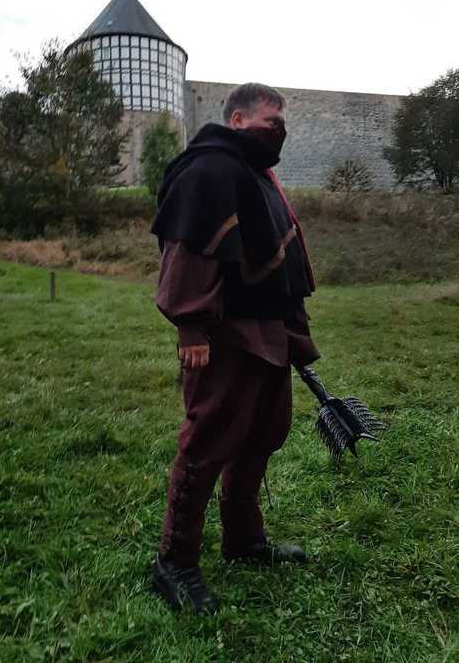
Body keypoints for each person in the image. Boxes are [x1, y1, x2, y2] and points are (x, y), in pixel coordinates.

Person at [149, 83, 321, 614]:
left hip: (268, 329)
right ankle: (174, 562)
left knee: (261, 434)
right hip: (223, 334)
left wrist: (293, 331)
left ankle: (244, 540)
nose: (280, 131)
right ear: (238, 118)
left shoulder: (256, 172)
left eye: (283, 124)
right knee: (208, 443)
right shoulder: (209, 168)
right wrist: (191, 326)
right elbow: (187, 248)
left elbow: (277, 255)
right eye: (272, 121)